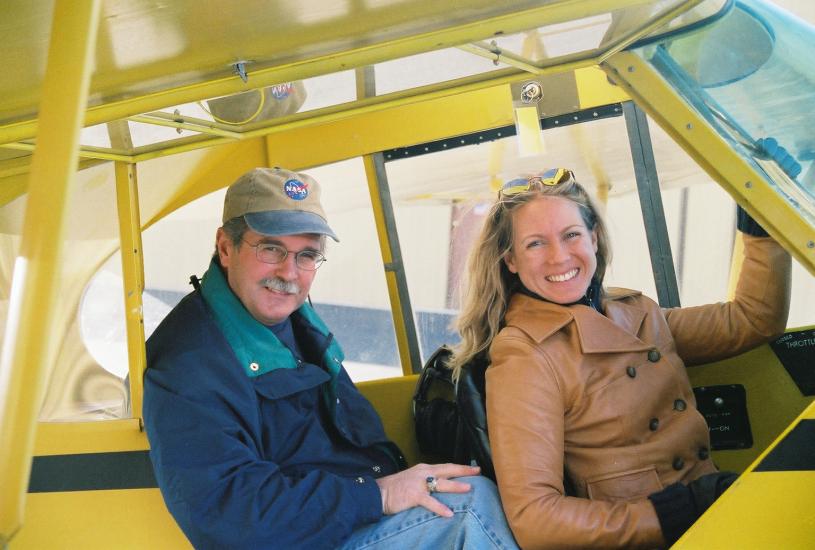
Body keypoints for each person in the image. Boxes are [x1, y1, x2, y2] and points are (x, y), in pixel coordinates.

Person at [143, 167, 519, 550]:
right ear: (226, 247)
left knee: (479, 487)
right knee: (469, 512)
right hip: (310, 538)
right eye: (271, 248)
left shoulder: (294, 321)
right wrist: (378, 496)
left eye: (307, 255)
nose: (288, 272)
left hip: (348, 517)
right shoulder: (188, 364)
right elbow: (228, 513)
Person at [449, 167, 791, 549]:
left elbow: (753, 320)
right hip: (654, 535)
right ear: (510, 260)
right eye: (535, 244)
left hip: (712, 517)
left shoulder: (636, 313)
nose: (560, 257)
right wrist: (678, 510)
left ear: (593, 237)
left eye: (571, 235)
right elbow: (535, 519)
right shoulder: (526, 354)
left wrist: (762, 219)